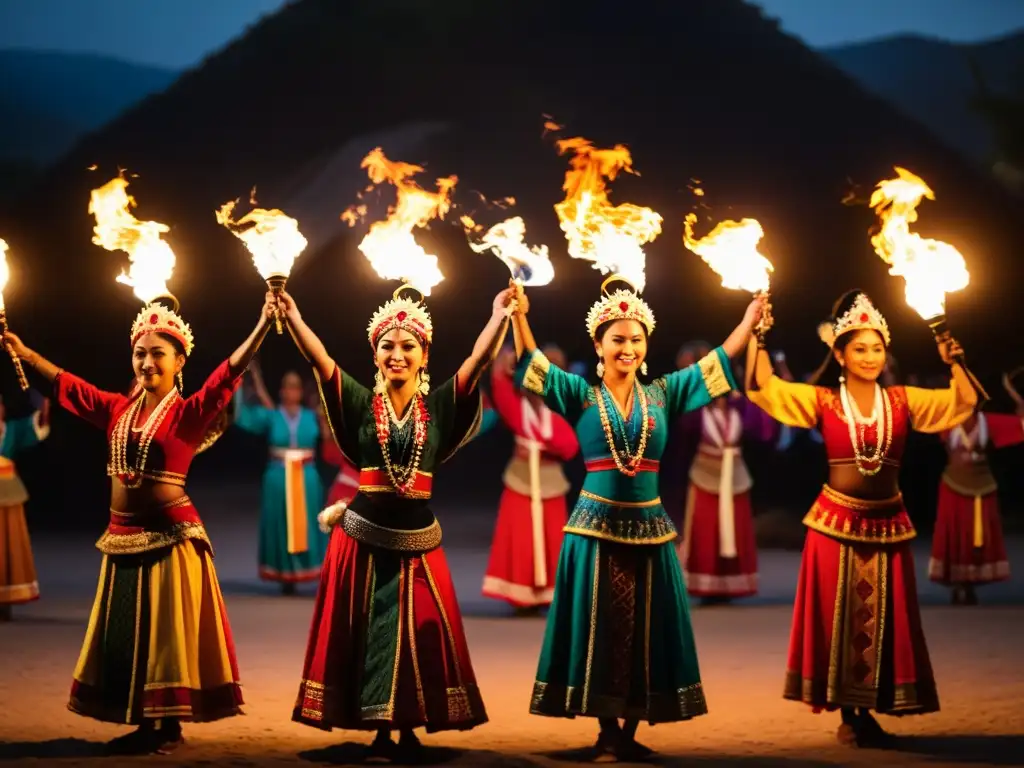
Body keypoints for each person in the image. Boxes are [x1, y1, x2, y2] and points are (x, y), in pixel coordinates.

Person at [2, 293, 275, 754]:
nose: (147, 363)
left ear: (178, 360)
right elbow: (69, 387)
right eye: (140, 353)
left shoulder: (189, 413)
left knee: (164, 637)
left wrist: (264, 324)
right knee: (131, 632)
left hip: (170, 539)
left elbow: (227, 376)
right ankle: (145, 723)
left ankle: (167, 727)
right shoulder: (117, 410)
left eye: (157, 354)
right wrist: (25, 354)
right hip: (122, 536)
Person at [510, 277, 764, 760]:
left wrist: (749, 322)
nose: (628, 348)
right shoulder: (578, 394)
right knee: (599, 626)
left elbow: (718, 362)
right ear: (599, 345)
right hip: (593, 530)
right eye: (618, 339)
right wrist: (519, 315)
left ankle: (628, 730)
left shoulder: (665, 393)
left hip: (650, 529)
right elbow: (531, 363)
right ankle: (606, 730)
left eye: (636, 339)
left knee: (645, 629)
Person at [283, 284, 513, 760]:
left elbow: (477, 362)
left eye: (408, 346)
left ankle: (408, 727)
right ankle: (376, 731)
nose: (397, 354)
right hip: (362, 542)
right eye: (388, 345)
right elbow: (320, 361)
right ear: (375, 353)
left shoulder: (439, 408)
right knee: (365, 635)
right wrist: (293, 316)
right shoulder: (361, 401)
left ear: (424, 355)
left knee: (418, 637)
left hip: (419, 542)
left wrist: (499, 316)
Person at [745, 289, 976, 747]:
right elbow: (763, 389)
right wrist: (759, 335)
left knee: (883, 621)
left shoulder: (904, 400)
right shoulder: (824, 400)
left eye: (876, 348)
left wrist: (954, 357)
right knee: (840, 622)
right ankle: (850, 714)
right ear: (839, 353)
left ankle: (869, 708)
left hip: (886, 524)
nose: (869, 357)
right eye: (859, 348)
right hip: (834, 525)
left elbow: (963, 402)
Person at [482, 345, 578, 614]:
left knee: (552, 539)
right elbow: (500, 386)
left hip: (549, 480)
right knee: (521, 539)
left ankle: (550, 595)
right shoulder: (517, 409)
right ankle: (521, 596)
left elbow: (569, 446)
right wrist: (505, 360)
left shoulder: (554, 414)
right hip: (521, 479)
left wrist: (541, 445)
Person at [677, 385, 777, 604]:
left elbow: (762, 430)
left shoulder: (738, 412)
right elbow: (683, 432)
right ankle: (706, 586)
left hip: (734, 475)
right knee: (706, 531)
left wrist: (747, 398)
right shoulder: (699, 413)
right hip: (705, 473)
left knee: (734, 529)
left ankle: (730, 584)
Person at [233, 361, 327, 592]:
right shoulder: (273, 416)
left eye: (295, 387)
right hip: (278, 477)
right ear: (282, 391)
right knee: (280, 523)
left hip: (306, 477)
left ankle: (309, 569)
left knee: (307, 524)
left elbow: (329, 434)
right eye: (287, 387)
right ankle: (284, 574)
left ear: (301, 392)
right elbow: (245, 417)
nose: (291, 391)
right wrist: (245, 382)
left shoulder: (311, 416)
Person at [928, 377, 1023, 603]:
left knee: (975, 538)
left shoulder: (987, 422)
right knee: (956, 535)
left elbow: (1020, 423)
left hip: (982, 487)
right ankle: (958, 584)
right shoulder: (946, 421)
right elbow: (912, 415)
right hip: (953, 485)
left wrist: (1016, 396)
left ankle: (970, 585)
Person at [0, 392, 50, 620]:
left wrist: (45, 408)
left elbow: (38, 426)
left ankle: (5, 601)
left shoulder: (11, 429)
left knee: (8, 545)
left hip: (8, 493)